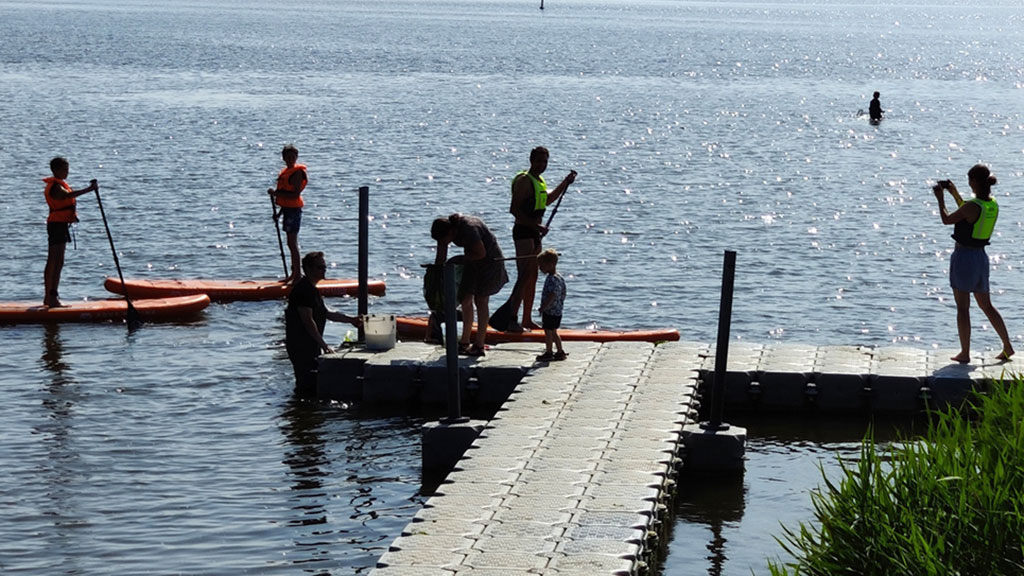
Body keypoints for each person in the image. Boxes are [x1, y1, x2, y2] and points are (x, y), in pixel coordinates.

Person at [932, 164, 1014, 364]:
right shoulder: (991, 204)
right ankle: (1007, 346)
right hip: (981, 258)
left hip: (964, 258)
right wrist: (954, 193)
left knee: (963, 307)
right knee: (986, 305)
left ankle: (965, 352)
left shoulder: (971, 206)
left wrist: (940, 198)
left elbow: (948, 219)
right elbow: (969, 212)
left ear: (974, 182)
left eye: (969, 179)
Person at [507, 146, 576, 332]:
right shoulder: (524, 181)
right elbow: (514, 210)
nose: (541, 165)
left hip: (535, 233)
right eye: (538, 161)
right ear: (531, 160)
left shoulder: (539, 181)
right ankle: (512, 319)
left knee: (533, 275)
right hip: (523, 233)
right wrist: (536, 226)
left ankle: (527, 319)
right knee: (524, 275)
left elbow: (546, 201)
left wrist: (565, 183)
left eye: (545, 161)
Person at [431, 214, 509, 356]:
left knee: (481, 300)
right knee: (465, 299)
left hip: (489, 262)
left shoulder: (469, 228)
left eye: (443, 240)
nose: (443, 243)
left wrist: (458, 259)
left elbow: (480, 253)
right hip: (472, 263)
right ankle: (464, 343)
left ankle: (479, 344)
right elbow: (441, 253)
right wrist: (437, 273)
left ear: (451, 232)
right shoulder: (446, 231)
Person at [285, 251, 361, 395]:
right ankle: (301, 410)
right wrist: (324, 345)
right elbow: (308, 321)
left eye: (324, 267)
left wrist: (351, 319)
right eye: (320, 267)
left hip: (310, 344)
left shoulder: (312, 290)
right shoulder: (303, 290)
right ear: (308, 269)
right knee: (306, 383)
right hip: (300, 344)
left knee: (312, 381)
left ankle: (304, 412)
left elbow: (325, 313)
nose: (324, 270)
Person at [43, 156, 98, 307]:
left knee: (58, 261)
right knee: (55, 261)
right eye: (65, 169)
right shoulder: (55, 187)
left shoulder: (58, 184)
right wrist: (89, 190)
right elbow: (66, 196)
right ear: (57, 170)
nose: (67, 172)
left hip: (60, 225)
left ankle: (50, 297)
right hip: (56, 226)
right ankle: (51, 298)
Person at [268, 145, 308, 284]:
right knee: (290, 243)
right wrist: (279, 214)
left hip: (294, 210)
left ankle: (297, 276)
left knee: (292, 243)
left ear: (296, 158)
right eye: (287, 157)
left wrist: (275, 193)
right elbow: (285, 199)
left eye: (293, 157)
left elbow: (295, 194)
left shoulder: (297, 173)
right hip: (287, 210)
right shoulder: (286, 172)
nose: (290, 160)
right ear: (283, 158)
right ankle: (293, 274)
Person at [535, 248, 567, 362]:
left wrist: (544, 307)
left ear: (550, 264)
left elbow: (552, 295)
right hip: (557, 311)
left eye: (542, 266)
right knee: (554, 331)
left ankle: (549, 352)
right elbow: (563, 292)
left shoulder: (552, 279)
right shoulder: (559, 278)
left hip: (550, 311)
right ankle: (559, 351)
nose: (540, 269)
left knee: (548, 332)